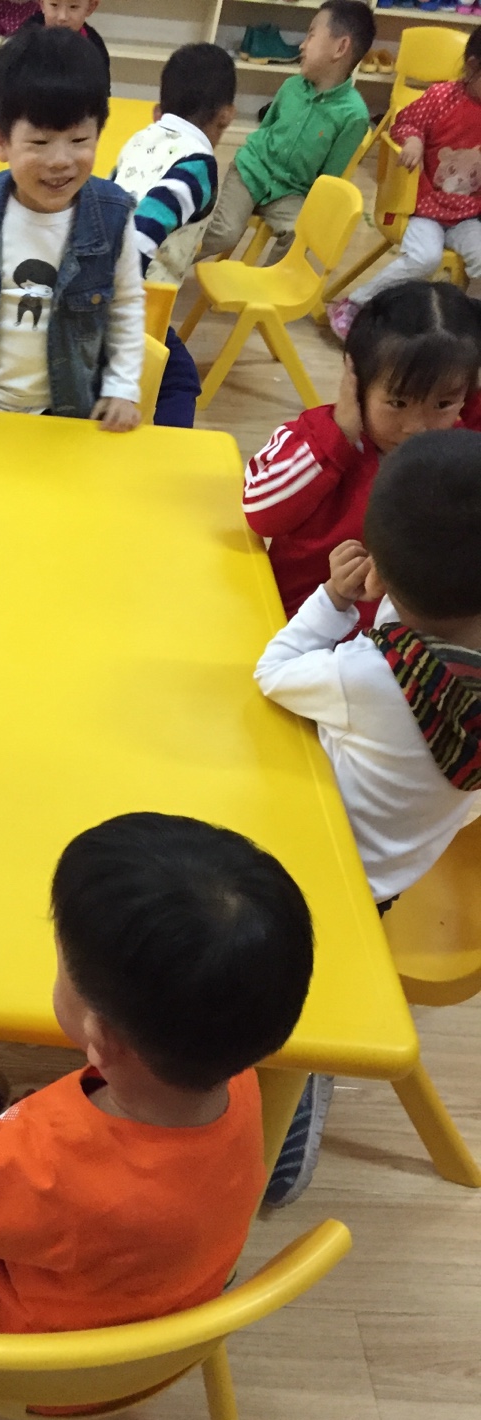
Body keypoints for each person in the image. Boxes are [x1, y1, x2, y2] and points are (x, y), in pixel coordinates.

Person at [0, 813, 313, 1369]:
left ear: (100, 1036)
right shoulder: (238, 1077)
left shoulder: (46, 1170)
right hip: (155, 1322)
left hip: (10, 1347)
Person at [254, 430, 481, 1204]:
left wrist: (333, 600)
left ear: (378, 568)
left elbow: (274, 673)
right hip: (397, 875)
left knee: (264, 988)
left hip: (322, 872)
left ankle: (298, 1092)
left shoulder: (371, 675)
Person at [0, 25, 145, 430]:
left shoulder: (113, 217)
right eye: (40, 143)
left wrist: (121, 388)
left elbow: (126, 306)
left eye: (79, 140)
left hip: (69, 415)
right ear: (0, 139)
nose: (60, 160)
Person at [243, 281, 481, 629]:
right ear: (356, 382)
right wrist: (336, 437)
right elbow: (261, 514)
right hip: (295, 629)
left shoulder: (462, 451)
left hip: (398, 646)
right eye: (397, 403)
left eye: (442, 404)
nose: (417, 427)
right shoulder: (313, 437)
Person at [327, 29, 481, 340]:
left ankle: (465, 327)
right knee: (425, 258)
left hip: (468, 217)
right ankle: (356, 304)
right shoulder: (442, 97)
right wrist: (413, 140)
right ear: (472, 66)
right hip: (424, 209)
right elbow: (406, 122)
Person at [113, 42, 237, 426]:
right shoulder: (198, 164)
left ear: (158, 109)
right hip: (135, 296)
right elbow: (144, 227)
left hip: (100, 277)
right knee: (179, 381)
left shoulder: (139, 139)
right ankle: (166, 450)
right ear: (226, 116)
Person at [200, 0, 374, 265]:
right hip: (251, 172)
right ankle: (164, 264)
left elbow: (329, 180)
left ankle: (266, 284)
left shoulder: (354, 115)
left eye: (311, 35)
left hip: (290, 192)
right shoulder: (291, 86)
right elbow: (265, 130)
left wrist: (310, 216)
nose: (302, 45)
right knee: (225, 234)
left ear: (340, 48)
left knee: (298, 235)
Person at [20, 0, 110, 78]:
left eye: (73, 7)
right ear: (42, 3)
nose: (62, 17)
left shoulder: (95, 48)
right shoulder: (25, 43)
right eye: (54, 5)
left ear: (90, 7)